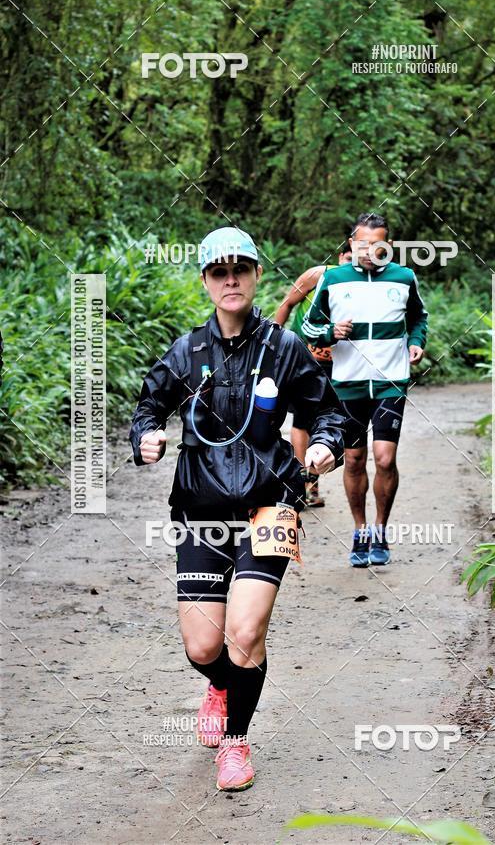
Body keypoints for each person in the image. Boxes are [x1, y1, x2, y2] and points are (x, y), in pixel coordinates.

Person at [129, 227, 345, 791]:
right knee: (204, 646)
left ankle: (235, 743)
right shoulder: (187, 351)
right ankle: (221, 684)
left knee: (245, 632)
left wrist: (325, 445)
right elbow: (148, 405)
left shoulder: (284, 347)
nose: (231, 280)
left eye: (240, 270)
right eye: (219, 272)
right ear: (206, 281)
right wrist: (146, 436)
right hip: (199, 510)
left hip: (270, 504)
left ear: (255, 275)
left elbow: (330, 412)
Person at [302, 212, 428, 568]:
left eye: (377, 245)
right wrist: (330, 333)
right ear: (351, 244)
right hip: (348, 384)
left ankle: (380, 529)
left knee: (385, 458)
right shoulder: (333, 279)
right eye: (362, 245)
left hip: (391, 382)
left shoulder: (404, 277)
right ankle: (360, 530)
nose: (369, 251)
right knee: (355, 459)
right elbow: (309, 326)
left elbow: (419, 317)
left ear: (388, 245)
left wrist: (416, 341)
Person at [274, 243, 353, 507]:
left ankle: (311, 481)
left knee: (330, 419)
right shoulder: (318, 275)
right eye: (348, 258)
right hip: (306, 358)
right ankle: (304, 484)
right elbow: (287, 304)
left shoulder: (364, 286)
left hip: (339, 364)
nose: (351, 265)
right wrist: (272, 343)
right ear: (340, 256)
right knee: (302, 420)